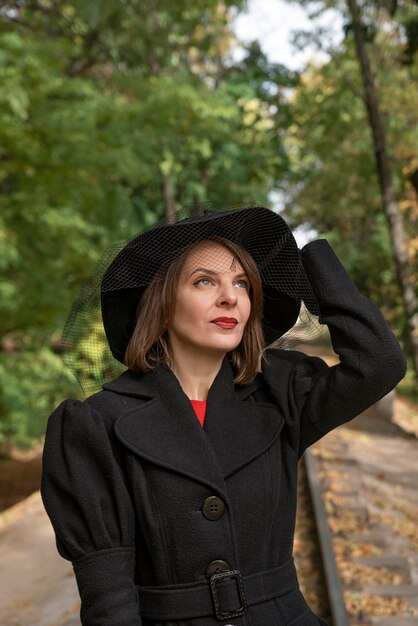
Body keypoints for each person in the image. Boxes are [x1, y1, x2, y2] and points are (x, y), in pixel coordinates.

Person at [41, 205, 406, 626]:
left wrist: (310, 263)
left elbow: (379, 362)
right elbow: (110, 601)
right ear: (160, 302)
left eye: (242, 283)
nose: (230, 297)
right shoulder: (97, 424)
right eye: (204, 281)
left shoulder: (281, 393)